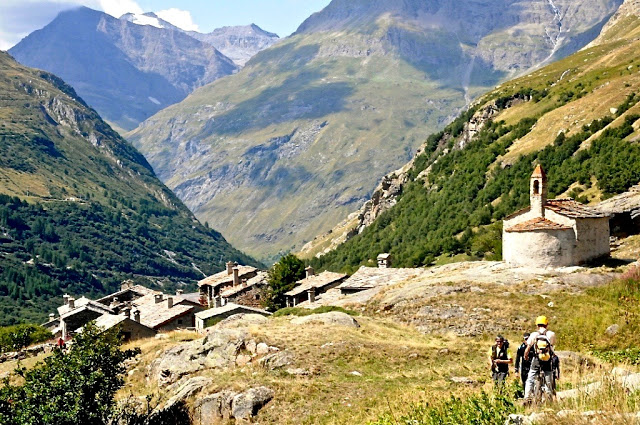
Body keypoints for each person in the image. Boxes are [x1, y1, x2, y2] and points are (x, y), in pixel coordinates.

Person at [524, 315, 556, 404]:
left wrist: (525, 356)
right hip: (547, 359)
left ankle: (527, 397)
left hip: (536, 359)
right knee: (548, 377)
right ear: (546, 324)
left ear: (537, 325)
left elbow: (528, 348)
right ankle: (549, 397)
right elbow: (552, 345)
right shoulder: (551, 334)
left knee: (530, 377)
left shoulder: (534, 334)